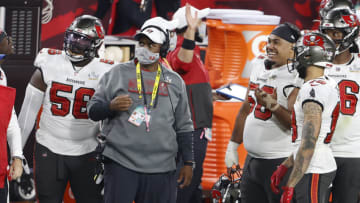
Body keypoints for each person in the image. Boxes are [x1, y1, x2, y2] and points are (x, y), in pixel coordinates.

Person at [87, 16, 194, 203]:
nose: (143, 49)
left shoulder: (175, 82)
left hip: (162, 168)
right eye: (141, 43)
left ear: (162, 49)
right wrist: (110, 107)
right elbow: (93, 110)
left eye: (151, 45)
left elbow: (184, 126)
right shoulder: (116, 73)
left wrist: (188, 162)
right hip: (121, 163)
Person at [17, 15, 115, 203]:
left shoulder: (107, 72)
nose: (75, 44)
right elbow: (27, 115)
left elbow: (113, 117)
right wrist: (16, 153)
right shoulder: (48, 63)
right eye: (72, 37)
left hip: (87, 149)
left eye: (83, 40)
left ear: (96, 44)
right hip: (49, 147)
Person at [224, 23, 301, 203]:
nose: (269, 46)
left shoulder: (299, 75)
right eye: (268, 41)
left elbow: (295, 124)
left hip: (280, 161)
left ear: (293, 48)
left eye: (276, 42)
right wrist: (233, 145)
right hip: (252, 161)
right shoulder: (259, 65)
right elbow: (246, 107)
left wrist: (273, 106)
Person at [271, 31, 339, 203]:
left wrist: (291, 185)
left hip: (314, 168)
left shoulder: (313, 89)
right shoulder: (325, 82)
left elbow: (309, 142)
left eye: (298, 52)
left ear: (309, 55)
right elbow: (305, 139)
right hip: (314, 165)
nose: (295, 58)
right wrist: (285, 166)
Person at [166, 4, 213, 203]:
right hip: (191, 131)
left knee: (193, 189)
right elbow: (183, 62)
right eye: (200, 22)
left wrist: (210, 95)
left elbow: (189, 82)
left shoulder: (190, 49)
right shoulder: (180, 48)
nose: (204, 25)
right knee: (184, 186)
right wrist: (192, 30)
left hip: (195, 128)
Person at [319, 2, 360, 202]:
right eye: (327, 31)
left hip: (352, 151)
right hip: (318, 151)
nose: (330, 37)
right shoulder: (312, 62)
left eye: (336, 33)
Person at [0, 29, 23, 203]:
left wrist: (17, 155)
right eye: (5, 37)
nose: (10, 40)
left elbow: (9, 118)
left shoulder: (1, 75)